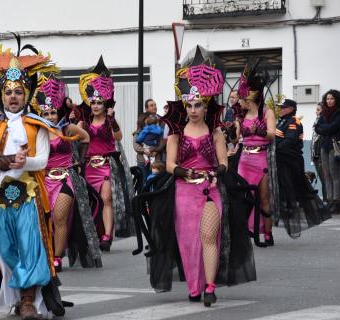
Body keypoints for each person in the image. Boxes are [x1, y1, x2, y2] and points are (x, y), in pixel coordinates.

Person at [135, 62, 256, 306]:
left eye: (197, 104)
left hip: (210, 189)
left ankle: (210, 286)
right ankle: (194, 285)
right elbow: (169, 164)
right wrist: (183, 171)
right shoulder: (176, 133)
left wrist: (216, 173)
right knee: (189, 242)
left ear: (206, 105)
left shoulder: (215, 133)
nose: (193, 110)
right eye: (189, 105)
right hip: (182, 191)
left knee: (209, 236)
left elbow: (223, 162)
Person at [0, 38, 67, 320]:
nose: (13, 96)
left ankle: (27, 301)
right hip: (2, 198)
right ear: (1, 94)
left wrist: (26, 162)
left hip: (30, 198)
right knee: (6, 249)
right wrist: (11, 160)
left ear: (27, 94)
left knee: (30, 245)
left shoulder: (39, 126)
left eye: (18, 92)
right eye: (8, 91)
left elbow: (44, 160)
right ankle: (18, 292)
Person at [32, 74, 101, 271]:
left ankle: (57, 256)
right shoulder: (37, 131)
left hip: (65, 178)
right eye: (46, 114)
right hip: (43, 180)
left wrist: (79, 160)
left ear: (58, 112)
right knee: (44, 219)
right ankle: (46, 251)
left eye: (53, 113)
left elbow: (86, 138)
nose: (50, 117)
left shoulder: (68, 128)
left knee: (59, 216)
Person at [76, 56, 135, 251]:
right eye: (93, 103)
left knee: (107, 199)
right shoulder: (83, 123)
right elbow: (75, 140)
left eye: (99, 103)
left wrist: (114, 120)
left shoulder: (110, 121)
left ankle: (107, 236)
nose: (96, 106)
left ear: (105, 104)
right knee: (91, 202)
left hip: (106, 166)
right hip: (88, 166)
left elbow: (118, 137)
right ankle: (93, 232)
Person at [235, 60, 277, 247]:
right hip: (244, 158)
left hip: (261, 158)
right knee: (243, 196)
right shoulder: (241, 115)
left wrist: (259, 131)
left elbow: (272, 135)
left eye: (244, 94)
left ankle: (267, 232)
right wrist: (232, 132)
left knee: (264, 198)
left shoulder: (266, 113)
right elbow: (236, 139)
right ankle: (246, 230)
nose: (241, 98)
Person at [275, 99, 329, 236]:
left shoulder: (294, 122)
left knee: (298, 187)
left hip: (291, 159)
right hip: (281, 158)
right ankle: (286, 210)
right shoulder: (281, 121)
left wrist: (274, 147)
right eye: (280, 107)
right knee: (284, 185)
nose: (281, 109)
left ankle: (315, 212)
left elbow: (289, 141)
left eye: (284, 107)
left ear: (292, 108)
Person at [314, 89, 340, 213]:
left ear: (336, 100)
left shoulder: (338, 113)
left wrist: (324, 128)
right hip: (324, 146)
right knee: (326, 174)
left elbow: (334, 127)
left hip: (334, 147)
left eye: (332, 99)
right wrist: (326, 128)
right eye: (327, 99)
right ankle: (329, 200)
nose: (329, 101)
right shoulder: (324, 113)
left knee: (335, 174)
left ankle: (336, 201)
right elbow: (317, 128)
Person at [311, 103, 326, 201]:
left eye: (318, 110)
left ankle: (328, 200)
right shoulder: (316, 122)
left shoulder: (324, 122)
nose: (316, 112)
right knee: (322, 179)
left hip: (322, 155)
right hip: (316, 156)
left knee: (326, 180)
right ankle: (326, 200)